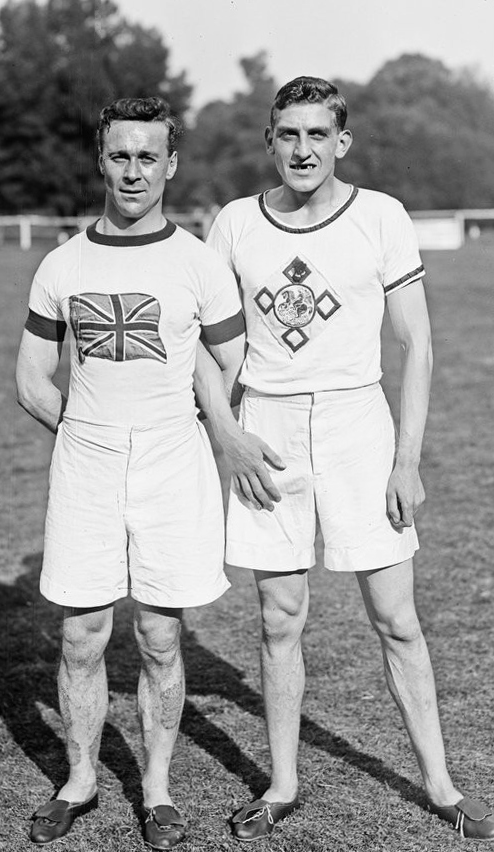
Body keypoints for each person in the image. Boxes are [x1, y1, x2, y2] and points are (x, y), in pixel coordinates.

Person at [204, 76, 494, 842]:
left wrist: (407, 460)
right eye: (288, 135)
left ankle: (441, 785)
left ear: (342, 142)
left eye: (317, 135)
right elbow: (205, 341)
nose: (303, 150)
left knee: (396, 619)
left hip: (358, 427)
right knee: (279, 618)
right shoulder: (235, 223)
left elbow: (417, 343)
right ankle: (282, 785)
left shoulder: (381, 216)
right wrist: (227, 435)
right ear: (270, 141)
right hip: (268, 429)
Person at [15, 95, 282, 849]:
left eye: (147, 157)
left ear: (170, 164)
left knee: (161, 636)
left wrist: (193, 428)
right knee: (82, 635)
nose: (133, 171)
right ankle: (80, 780)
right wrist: (84, 434)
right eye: (119, 155)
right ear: (101, 160)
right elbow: (32, 377)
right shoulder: (62, 264)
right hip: (87, 465)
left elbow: (234, 366)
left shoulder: (198, 263)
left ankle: (157, 790)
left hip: (173, 462)